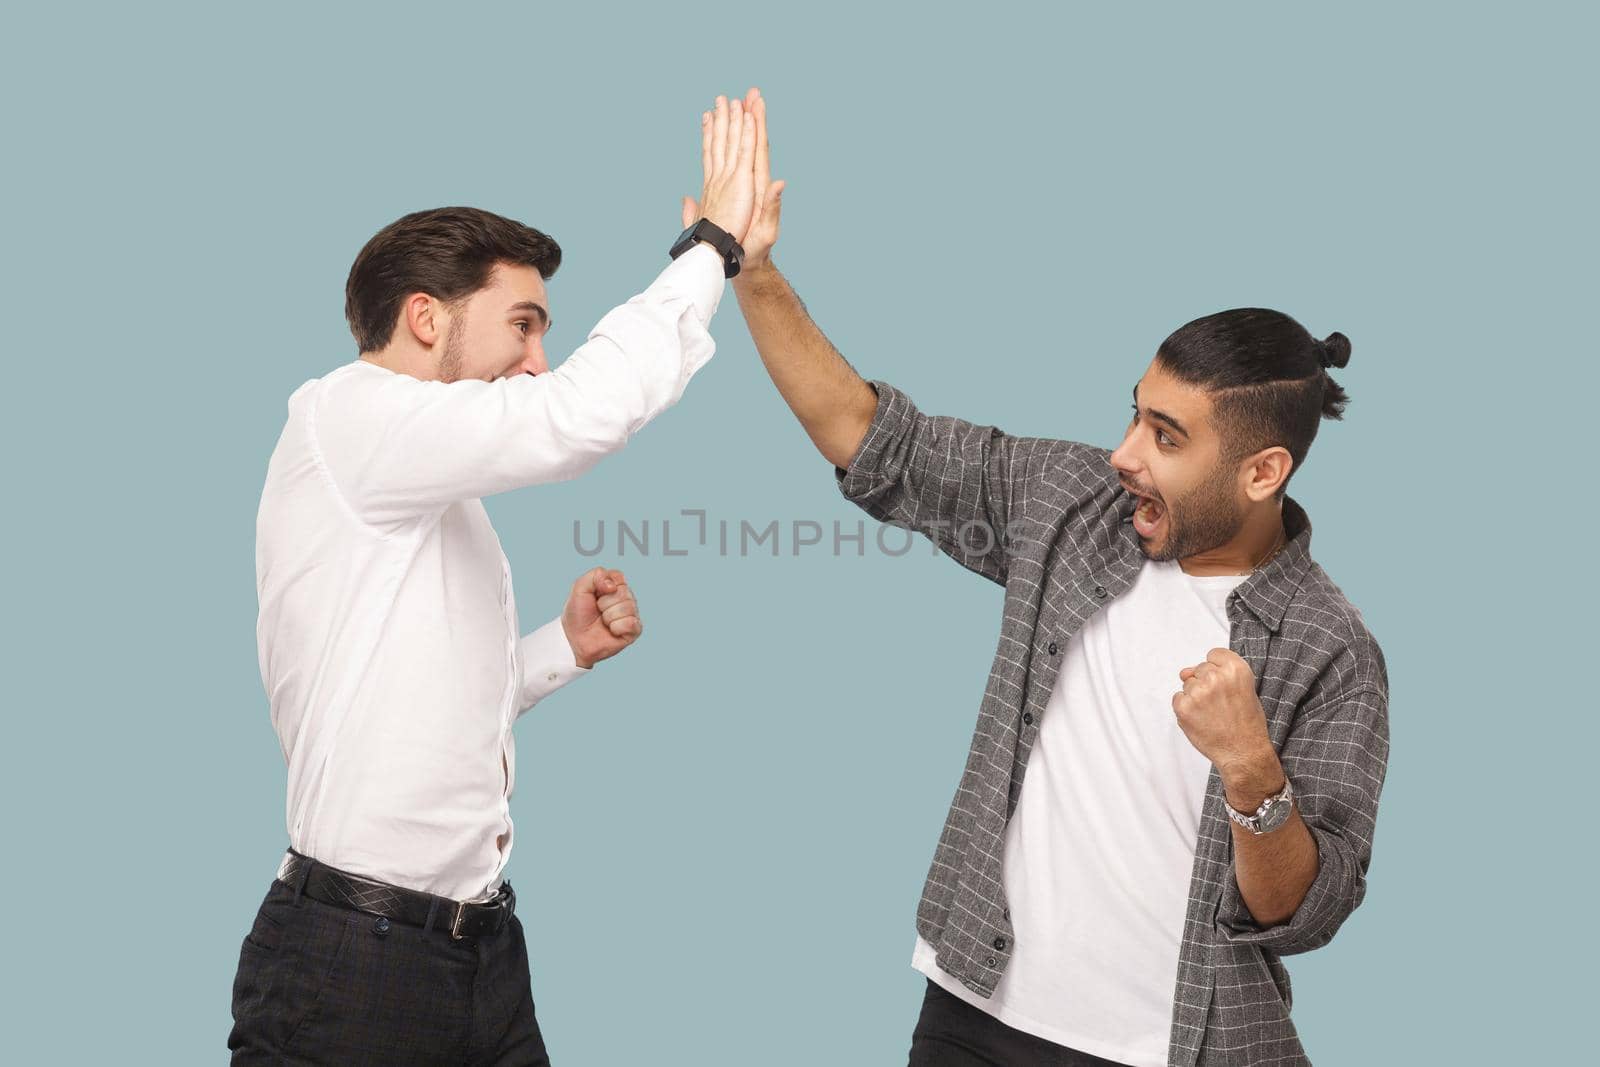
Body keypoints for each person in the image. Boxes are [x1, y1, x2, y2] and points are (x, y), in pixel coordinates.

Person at [727, 90, 1390, 1066]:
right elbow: (871, 436)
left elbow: (1303, 908)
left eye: (1164, 437)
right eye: (1134, 414)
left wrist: (1251, 766)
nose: (1123, 452)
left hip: (1171, 1045)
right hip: (973, 1009)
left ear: (1261, 472)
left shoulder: (1332, 651)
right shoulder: (1071, 505)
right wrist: (754, 270)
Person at [231, 91, 765, 1065]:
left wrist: (560, 650)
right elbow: (579, 413)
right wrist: (710, 247)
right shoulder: (346, 419)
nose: (535, 359)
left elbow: (420, 712)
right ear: (426, 318)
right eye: (522, 324)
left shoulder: (427, 489)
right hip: (356, 962)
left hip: (478, 952)